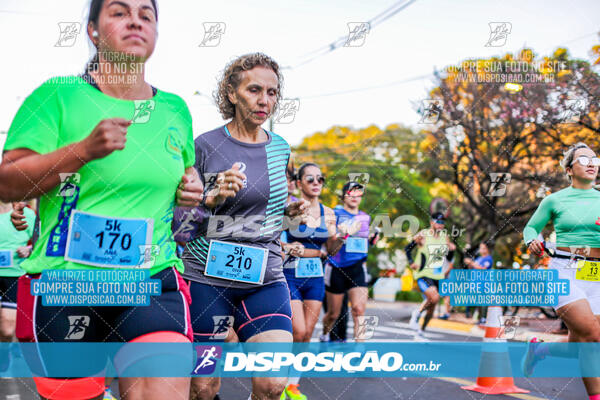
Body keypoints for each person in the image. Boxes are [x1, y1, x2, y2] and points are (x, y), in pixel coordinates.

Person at [0, 1, 204, 399]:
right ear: (93, 31)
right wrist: (83, 150)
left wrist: (190, 188)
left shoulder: (174, 109)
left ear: (156, 34)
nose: (135, 21)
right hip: (66, 284)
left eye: (146, 15)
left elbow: (182, 178)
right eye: (119, 12)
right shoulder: (56, 96)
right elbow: (7, 184)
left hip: (150, 278)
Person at [180, 53, 307, 400]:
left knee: (273, 384)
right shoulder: (205, 145)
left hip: (263, 278)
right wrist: (209, 198)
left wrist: (291, 214)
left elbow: (270, 218)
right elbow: (178, 224)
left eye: (272, 92)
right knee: (203, 387)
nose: (265, 100)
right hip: (207, 281)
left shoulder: (281, 148)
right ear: (232, 94)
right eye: (254, 90)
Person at [522, 142, 600, 399]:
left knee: (585, 342)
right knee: (592, 334)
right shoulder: (554, 200)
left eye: (594, 159)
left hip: (596, 274)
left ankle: (539, 350)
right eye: (584, 159)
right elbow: (531, 228)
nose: (591, 163)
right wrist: (532, 241)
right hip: (563, 270)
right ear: (569, 169)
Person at [280, 163, 341, 400]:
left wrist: (342, 237)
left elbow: (331, 250)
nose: (316, 183)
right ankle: (279, 380)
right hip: (290, 274)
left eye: (320, 179)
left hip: (315, 277)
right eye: (310, 179)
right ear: (299, 183)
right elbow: (280, 243)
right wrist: (310, 251)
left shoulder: (330, 213)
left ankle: (292, 385)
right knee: (298, 330)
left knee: (307, 335)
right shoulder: (290, 208)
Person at [321, 181, 377, 343]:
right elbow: (329, 245)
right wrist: (342, 234)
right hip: (336, 268)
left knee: (359, 310)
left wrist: (373, 240)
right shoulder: (335, 214)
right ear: (343, 196)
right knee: (333, 314)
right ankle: (325, 334)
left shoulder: (365, 217)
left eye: (358, 194)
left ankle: (360, 351)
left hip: (357, 267)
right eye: (350, 193)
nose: (354, 197)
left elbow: (364, 242)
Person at [405, 212, 455, 339]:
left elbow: (448, 257)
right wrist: (411, 262)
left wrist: (452, 251)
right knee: (435, 298)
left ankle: (420, 332)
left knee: (432, 309)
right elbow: (408, 248)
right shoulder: (423, 234)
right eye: (438, 222)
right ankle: (416, 314)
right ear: (431, 222)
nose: (440, 225)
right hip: (423, 273)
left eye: (443, 223)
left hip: (437, 275)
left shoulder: (445, 236)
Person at [0, 201, 35, 372]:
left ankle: (4, 349)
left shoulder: (26, 214)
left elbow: (40, 241)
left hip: (14, 275)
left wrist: (28, 249)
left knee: (7, 329)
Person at [464, 242, 493, 324]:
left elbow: (483, 268)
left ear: (487, 249)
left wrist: (471, 262)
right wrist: (469, 263)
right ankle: (477, 317)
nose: (481, 250)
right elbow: (473, 267)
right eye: (480, 248)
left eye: (483, 248)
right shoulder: (478, 258)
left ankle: (483, 318)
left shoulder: (488, 258)